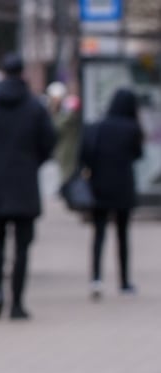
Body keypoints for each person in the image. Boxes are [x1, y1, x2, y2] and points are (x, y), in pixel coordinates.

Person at [0, 52, 57, 320]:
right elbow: (49, 142)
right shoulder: (35, 107)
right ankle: (17, 302)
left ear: (3, 73)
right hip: (25, 187)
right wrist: (32, 162)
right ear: (23, 74)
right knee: (22, 247)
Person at [79, 87, 144, 300]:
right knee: (122, 234)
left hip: (99, 186)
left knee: (98, 234)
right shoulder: (132, 128)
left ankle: (96, 278)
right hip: (123, 186)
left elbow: (85, 155)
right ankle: (124, 281)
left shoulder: (98, 126)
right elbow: (137, 154)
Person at [46, 81, 82, 183]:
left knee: (66, 179)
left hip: (68, 152)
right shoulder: (62, 111)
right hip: (61, 153)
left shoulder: (67, 111)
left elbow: (56, 127)